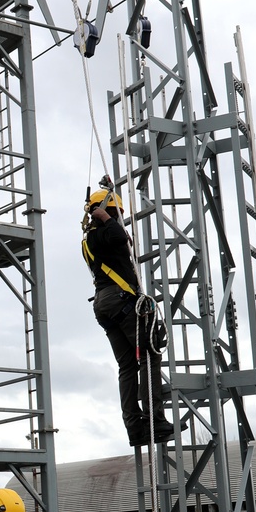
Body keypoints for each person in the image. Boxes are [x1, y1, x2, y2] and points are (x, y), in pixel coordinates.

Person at [81, 185, 173, 446]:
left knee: (127, 366)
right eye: (116, 213)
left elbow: (119, 241)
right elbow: (120, 238)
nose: (118, 217)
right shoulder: (100, 234)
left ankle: (134, 427)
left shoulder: (93, 239)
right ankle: (155, 420)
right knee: (149, 355)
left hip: (106, 305)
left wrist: (108, 194)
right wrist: (105, 217)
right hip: (119, 301)